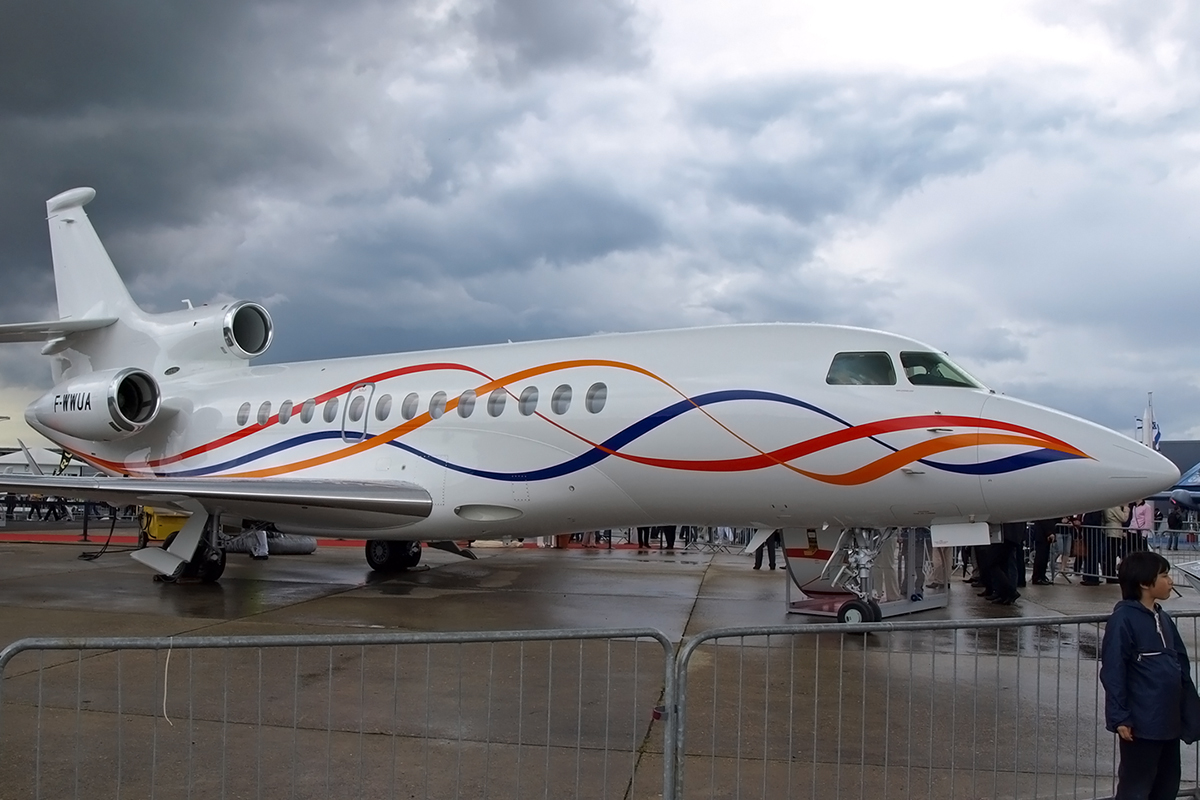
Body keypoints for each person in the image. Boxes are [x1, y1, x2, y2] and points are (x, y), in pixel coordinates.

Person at [1100, 551, 1200, 800]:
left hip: (1169, 722)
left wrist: (1189, 710)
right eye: (1164, 575)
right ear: (1145, 583)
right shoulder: (1123, 620)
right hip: (1142, 725)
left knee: (1167, 784)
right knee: (1136, 787)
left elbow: (1181, 666)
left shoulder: (1163, 618)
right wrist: (1120, 716)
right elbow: (1113, 670)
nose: (1171, 581)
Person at [1104, 504, 1131, 584]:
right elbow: (1123, 518)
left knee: (1110, 554)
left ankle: (1110, 573)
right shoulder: (1114, 506)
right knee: (1112, 554)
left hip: (1110, 530)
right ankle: (1111, 574)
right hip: (1114, 531)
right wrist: (1126, 508)